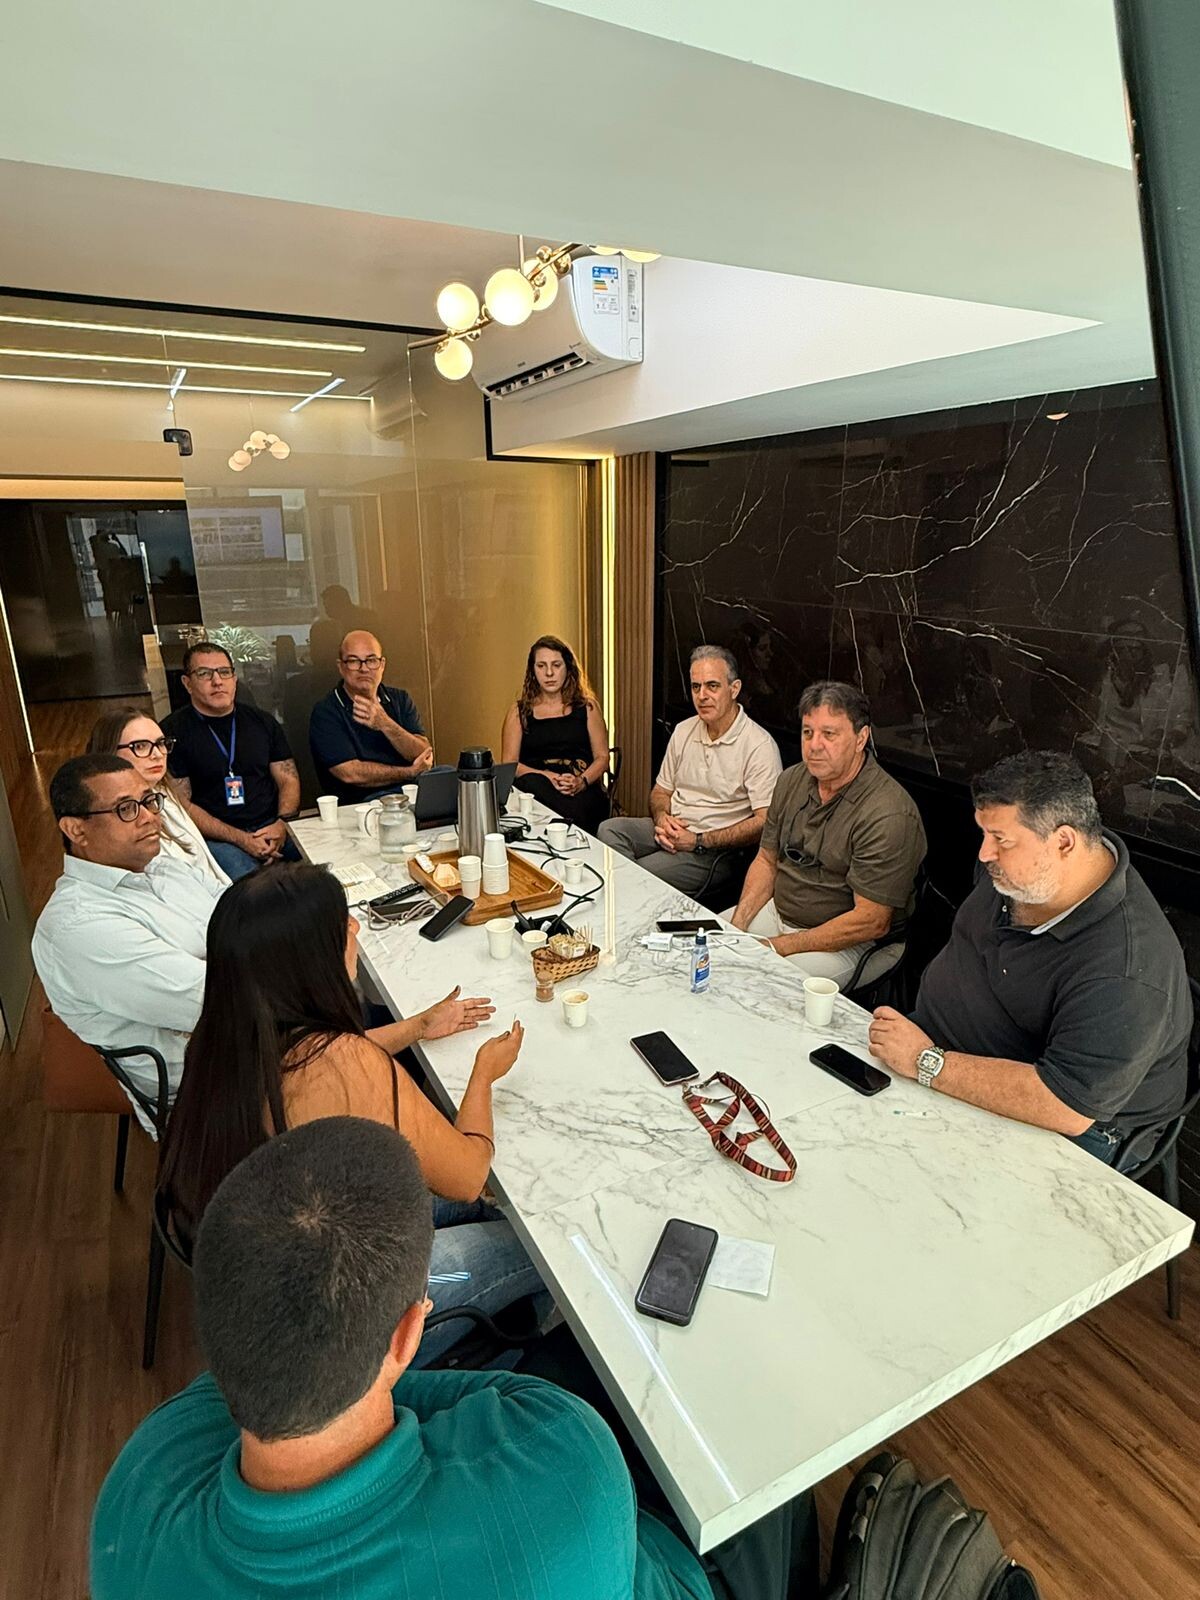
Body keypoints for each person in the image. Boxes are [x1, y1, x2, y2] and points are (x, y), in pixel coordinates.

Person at [93, 1117, 815, 1600]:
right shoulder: (564, 1456)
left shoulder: (137, 1489)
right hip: (649, 1565)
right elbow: (535, 1415)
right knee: (768, 1456)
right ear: (408, 1336)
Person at [156, 862, 536, 1363]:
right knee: (535, 1243)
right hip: (344, 1330)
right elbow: (468, 1175)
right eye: (342, 924)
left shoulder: (221, 1041)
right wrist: (483, 1076)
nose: (355, 927)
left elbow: (314, 1062)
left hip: (273, 1292)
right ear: (309, 959)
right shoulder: (344, 1063)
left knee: (497, 1205)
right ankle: (521, 1357)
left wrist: (418, 1027)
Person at [868, 751, 1192, 1169]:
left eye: (1001, 839)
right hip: (937, 1051)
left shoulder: (1128, 969)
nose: (984, 853)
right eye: (984, 834)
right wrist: (926, 1056)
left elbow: (1066, 1106)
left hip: (1069, 1121)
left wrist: (926, 1062)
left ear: (1063, 842)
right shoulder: (1029, 872)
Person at [32, 752, 224, 1123]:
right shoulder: (78, 926)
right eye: (126, 809)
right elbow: (213, 1000)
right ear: (76, 830)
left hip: (245, 1042)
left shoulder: (163, 868)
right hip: (206, 1092)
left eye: (149, 801)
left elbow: (244, 917)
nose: (150, 817)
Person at [728, 682, 926, 988]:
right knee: (707, 952)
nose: (814, 745)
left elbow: (872, 921)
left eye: (829, 734)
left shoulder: (888, 813)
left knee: (762, 988)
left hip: (851, 944)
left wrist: (779, 947)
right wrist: (736, 928)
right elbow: (766, 860)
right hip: (777, 913)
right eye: (808, 732)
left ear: (861, 738)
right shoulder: (791, 780)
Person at [599, 645, 782, 900]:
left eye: (712, 686)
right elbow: (661, 792)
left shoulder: (759, 745)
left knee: (641, 874)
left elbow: (765, 822)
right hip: (672, 828)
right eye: (696, 687)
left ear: (734, 689)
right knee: (609, 830)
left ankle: (625, 900)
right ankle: (628, 898)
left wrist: (698, 840)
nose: (702, 695)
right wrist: (662, 818)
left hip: (713, 850)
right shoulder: (684, 730)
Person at [162, 642, 301, 881]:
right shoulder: (172, 732)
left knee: (323, 866)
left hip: (273, 826)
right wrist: (242, 839)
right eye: (204, 674)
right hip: (218, 837)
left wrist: (282, 823)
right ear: (187, 683)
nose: (217, 681)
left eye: (224, 672)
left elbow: (288, 779)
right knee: (252, 885)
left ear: (234, 679)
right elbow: (182, 805)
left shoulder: (263, 722)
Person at [86, 706, 229, 889]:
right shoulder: (111, 817)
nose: (157, 754)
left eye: (161, 743)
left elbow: (204, 864)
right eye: (140, 746)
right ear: (109, 752)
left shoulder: (163, 792)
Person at [501, 634, 610, 834]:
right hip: (536, 787)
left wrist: (581, 781)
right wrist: (548, 777)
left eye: (556, 665)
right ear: (532, 670)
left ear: (568, 667)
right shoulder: (519, 712)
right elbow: (510, 764)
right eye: (541, 666)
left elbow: (602, 758)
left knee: (582, 806)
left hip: (581, 785)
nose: (549, 673)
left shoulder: (587, 707)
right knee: (536, 787)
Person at [308, 629, 434, 802]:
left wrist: (384, 723)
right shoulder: (326, 711)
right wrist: (408, 772)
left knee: (449, 776)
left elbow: (423, 752)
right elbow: (350, 773)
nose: (364, 668)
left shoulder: (400, 699)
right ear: (341, 667)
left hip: (412, 794)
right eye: (354, 661)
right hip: (362, 803)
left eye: (371, 660)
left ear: (382, 665)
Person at [308, 583, 381, 677]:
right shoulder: (332, 625)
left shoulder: (363, 619)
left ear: (339, 603)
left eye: (328, 606)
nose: (326, 610)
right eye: (325, 606)